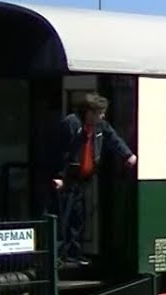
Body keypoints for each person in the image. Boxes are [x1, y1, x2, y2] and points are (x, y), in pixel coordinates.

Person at [51, 93, 137, 266]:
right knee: (63, 217)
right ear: (90, 112)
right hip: (68, 179)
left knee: (78, 217)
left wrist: (128, 155)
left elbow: (114, 139)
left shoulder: (100, 126)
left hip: (83, 179)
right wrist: (59, 176)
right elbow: (59, 152)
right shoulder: (72, 124)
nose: (102, 116)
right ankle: (56, 257)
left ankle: (73, 253)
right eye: (100, 113)